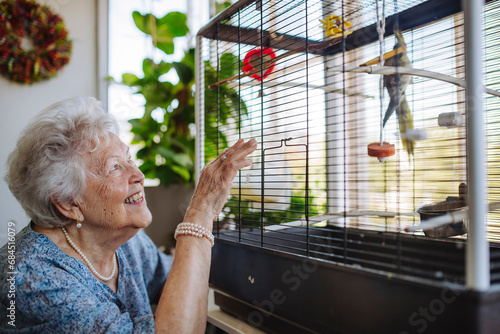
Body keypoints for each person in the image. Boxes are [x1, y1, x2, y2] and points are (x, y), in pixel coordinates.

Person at [0, 96, 257, 333]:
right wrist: (200, 213)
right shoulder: (33, 279)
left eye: (129, 159)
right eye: (114, 168)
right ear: (68, 203)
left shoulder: (126, 243)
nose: (139, 176)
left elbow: (171, 278)